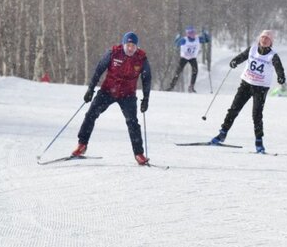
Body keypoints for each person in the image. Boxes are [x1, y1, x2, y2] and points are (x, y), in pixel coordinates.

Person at [72, 31, 153, 165]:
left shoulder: (141, 58)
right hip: (108, 91)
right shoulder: (113, 53)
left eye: (133, 46)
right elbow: (99, 70)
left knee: (132, 122)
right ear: (123, 44)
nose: (130, 48)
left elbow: (147, 79)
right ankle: (82, 145)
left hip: (128, 95)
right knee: (91, 114)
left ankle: (139, 154)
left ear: (137, 47)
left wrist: (146, 99)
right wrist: (90, 89)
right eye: (128, 45)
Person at [210, 29, 285, 154]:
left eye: (267, 39)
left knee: (256, 115)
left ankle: (259, 142)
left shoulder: (273, 55)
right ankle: (222, 134)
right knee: (234, 109)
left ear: (271, 42)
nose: (264, 40)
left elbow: (279, 68)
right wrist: (234, 61)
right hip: (246, 84)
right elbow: (241, 57)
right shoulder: (252, 49)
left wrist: (281, 77)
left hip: (260, 88)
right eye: (262, 37)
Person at [166, 25, 211, 92]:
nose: (192, 34)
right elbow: (176, 44)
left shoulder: (197, 39)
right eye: (190, 33)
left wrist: (205, 34)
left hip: (192, 58)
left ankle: (191, 87)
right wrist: (177, 39)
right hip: (184, 58)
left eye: (193, 32)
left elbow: (207, 40)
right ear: (187, 34)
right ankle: (171, 86)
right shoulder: (184, 40)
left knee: (195, 71)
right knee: (178, 72)